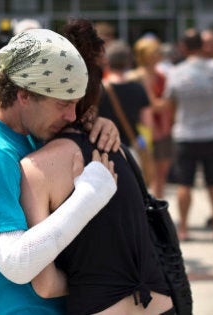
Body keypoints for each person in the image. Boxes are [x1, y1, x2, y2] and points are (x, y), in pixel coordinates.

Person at [0, 28, 122, 314]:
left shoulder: (21, 133)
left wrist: (100, 124)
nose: (71, 116)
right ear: (24, 95)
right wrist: (91, 193)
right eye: (64, 104)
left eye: (76, 104)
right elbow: (17, 261)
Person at [20, 19, 174, 315]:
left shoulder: (36, 169)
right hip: (161, 304)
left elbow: (46, 285)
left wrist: (97, 281)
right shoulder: (118, 150)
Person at [161, 29, 213, 242]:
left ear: (183, 47)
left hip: (186, 133)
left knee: (184, 184)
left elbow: (169, 103)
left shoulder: (176, 71)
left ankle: (184, 229)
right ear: (203, 45)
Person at [97, 40, 154, 184]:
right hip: (131, 149)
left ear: (107, 62)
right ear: (129, 62)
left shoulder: (98, 90)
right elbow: (148, 123)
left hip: (103, 149)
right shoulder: (138, 88)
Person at [127, 35, 174, 198]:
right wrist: (164, 103)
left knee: (161, 175)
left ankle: (158, 209)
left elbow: (162, 104)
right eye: (155, 52)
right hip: (143, 132)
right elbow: (153, 104)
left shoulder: (162, 75)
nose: (159, 55)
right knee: (144, 175)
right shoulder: (135, 77)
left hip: (163, 130)